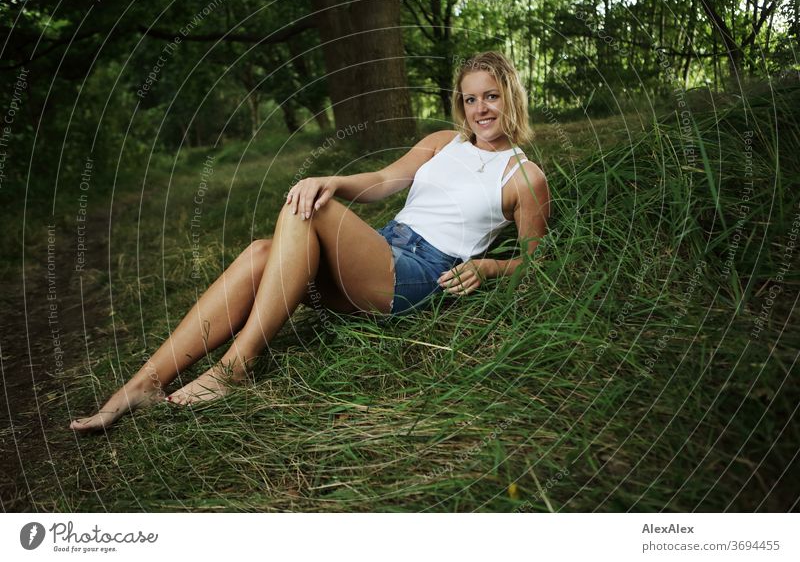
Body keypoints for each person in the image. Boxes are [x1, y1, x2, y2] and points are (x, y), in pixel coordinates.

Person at [69, 51, 550, 432]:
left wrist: (487, 269)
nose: (481, 109)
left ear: (511, 97)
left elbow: (537, 262)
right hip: (382, 250)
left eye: (491, 96)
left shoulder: (525, 176)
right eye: (470, 99)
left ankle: (237, 365)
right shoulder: (444, 141)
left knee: (310, 211)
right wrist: (333, 180)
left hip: (419, 276)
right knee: (262, 251)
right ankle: (141, 386)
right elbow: (384, 179)